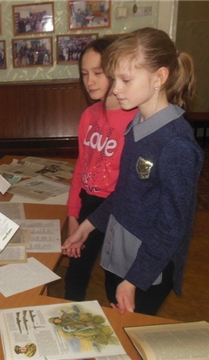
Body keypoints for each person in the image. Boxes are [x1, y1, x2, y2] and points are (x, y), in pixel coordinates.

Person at [62, 27, 203, 316]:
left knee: (134, 330)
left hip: (148, 268)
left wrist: (134, 281)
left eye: (126, 79)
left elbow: (171, 227)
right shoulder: (135, 125)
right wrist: (87, 226)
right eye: (115, 79)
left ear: (159, 78)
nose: (115, 89)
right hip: (121, 254)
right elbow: (125, 193)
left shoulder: (176, 145)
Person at [63, 38, 137, 302]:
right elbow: (82, 167)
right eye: (84, 74)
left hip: (117, 209)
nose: (89, 81)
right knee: (75, 273)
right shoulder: (89, 115)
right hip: (88, 203)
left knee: (114, 279)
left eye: (98, 73)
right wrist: (73, 214)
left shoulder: (135, 119)